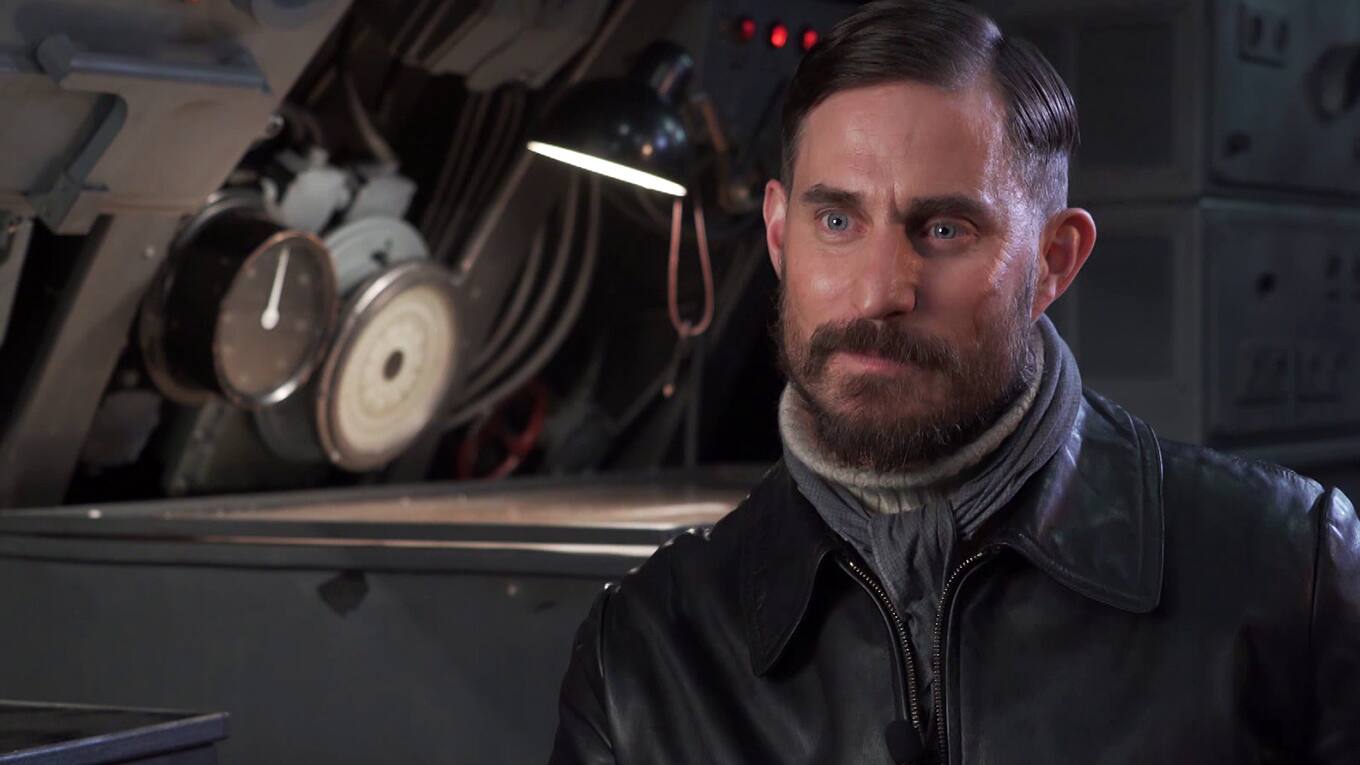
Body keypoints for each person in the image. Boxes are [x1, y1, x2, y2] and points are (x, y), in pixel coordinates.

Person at [548, 1, 1360, 762]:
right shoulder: (645, 653)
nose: (879, 292)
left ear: (1054, 261)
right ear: (778, 235)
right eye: (837, 221)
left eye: (943, 228)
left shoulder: (1291, 576)